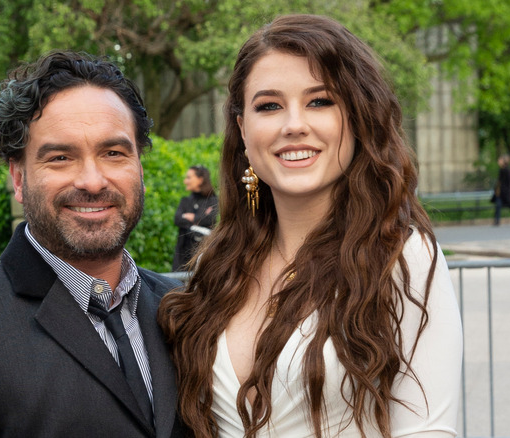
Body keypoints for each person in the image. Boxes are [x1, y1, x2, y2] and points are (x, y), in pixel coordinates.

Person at [158, 14, 463, 437]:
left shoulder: (401, 257)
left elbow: (427, 431)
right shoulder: (218, 264)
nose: (294, 124)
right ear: (243, 129)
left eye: (320, 101)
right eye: (269, 106)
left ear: (356, 117)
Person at [0, 51, 186, 438]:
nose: (92, 181)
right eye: (61, 157)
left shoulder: (185, 306)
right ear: (18, 178)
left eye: (113, 153)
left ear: (139, 167)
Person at [172, 165, 218, 271]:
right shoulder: (185, 201)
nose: (185, 181)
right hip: (182, 259)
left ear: (200, 180)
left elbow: (210, 219)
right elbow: (178, 219)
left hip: (204, 258)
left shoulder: (213, 201)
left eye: (189, 177)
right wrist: (200, 219)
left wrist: (192, 218)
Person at [492, 154, 510, 226]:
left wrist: (508, 191)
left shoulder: (507, 170)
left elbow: (509, 182)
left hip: (506, 192)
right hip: (501, 192)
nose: (499, 161)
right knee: (498, 205)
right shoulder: (502, 170)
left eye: (500, 160)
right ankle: (497, 220)